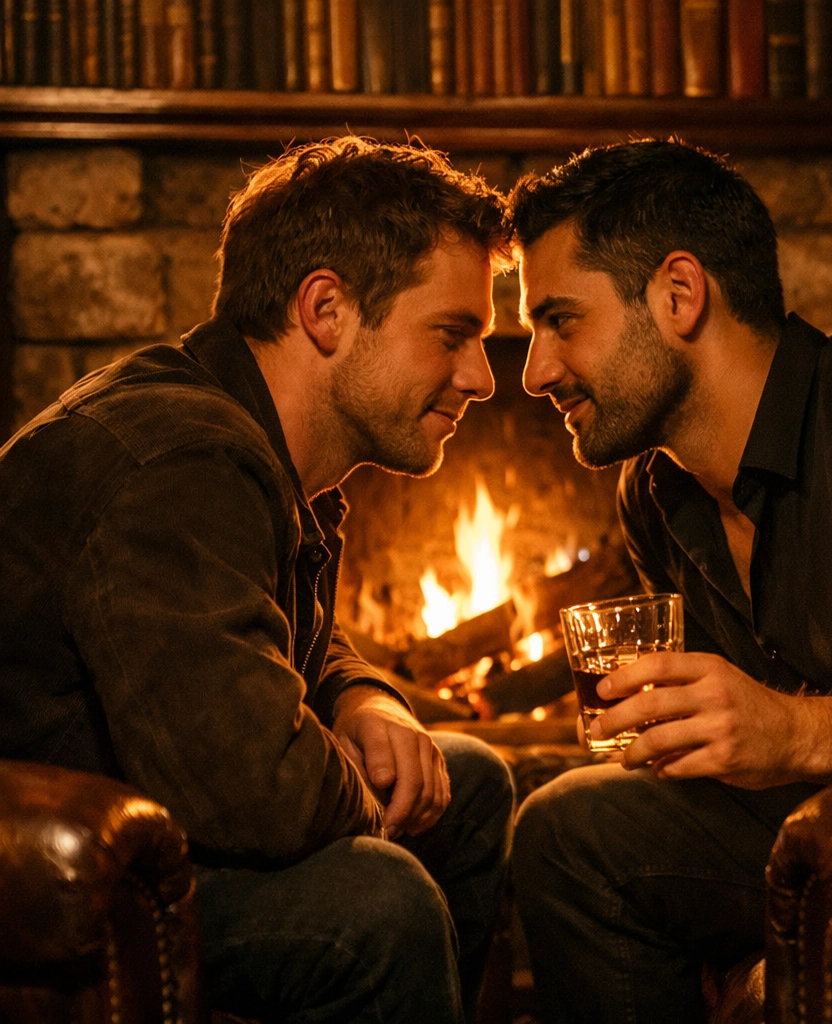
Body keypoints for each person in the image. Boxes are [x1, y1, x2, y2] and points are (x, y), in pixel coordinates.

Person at [0, 137, 516, 1024]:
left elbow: (249, 624)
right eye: (452, 334)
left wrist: (365, 700)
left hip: (150, 805)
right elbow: (253, 788)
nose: (481, 377)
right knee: (376, 906)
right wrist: (360, 788)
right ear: (326, 309)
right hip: (55, 872)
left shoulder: (248, 437)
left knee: (463, 783)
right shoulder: (183, 459)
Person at [507, 139, 832, 1023]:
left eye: (561, 320)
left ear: (679, 294)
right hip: (803, 832)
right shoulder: (656, 491)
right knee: (561, 827)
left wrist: (791, 729)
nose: (535, 371)